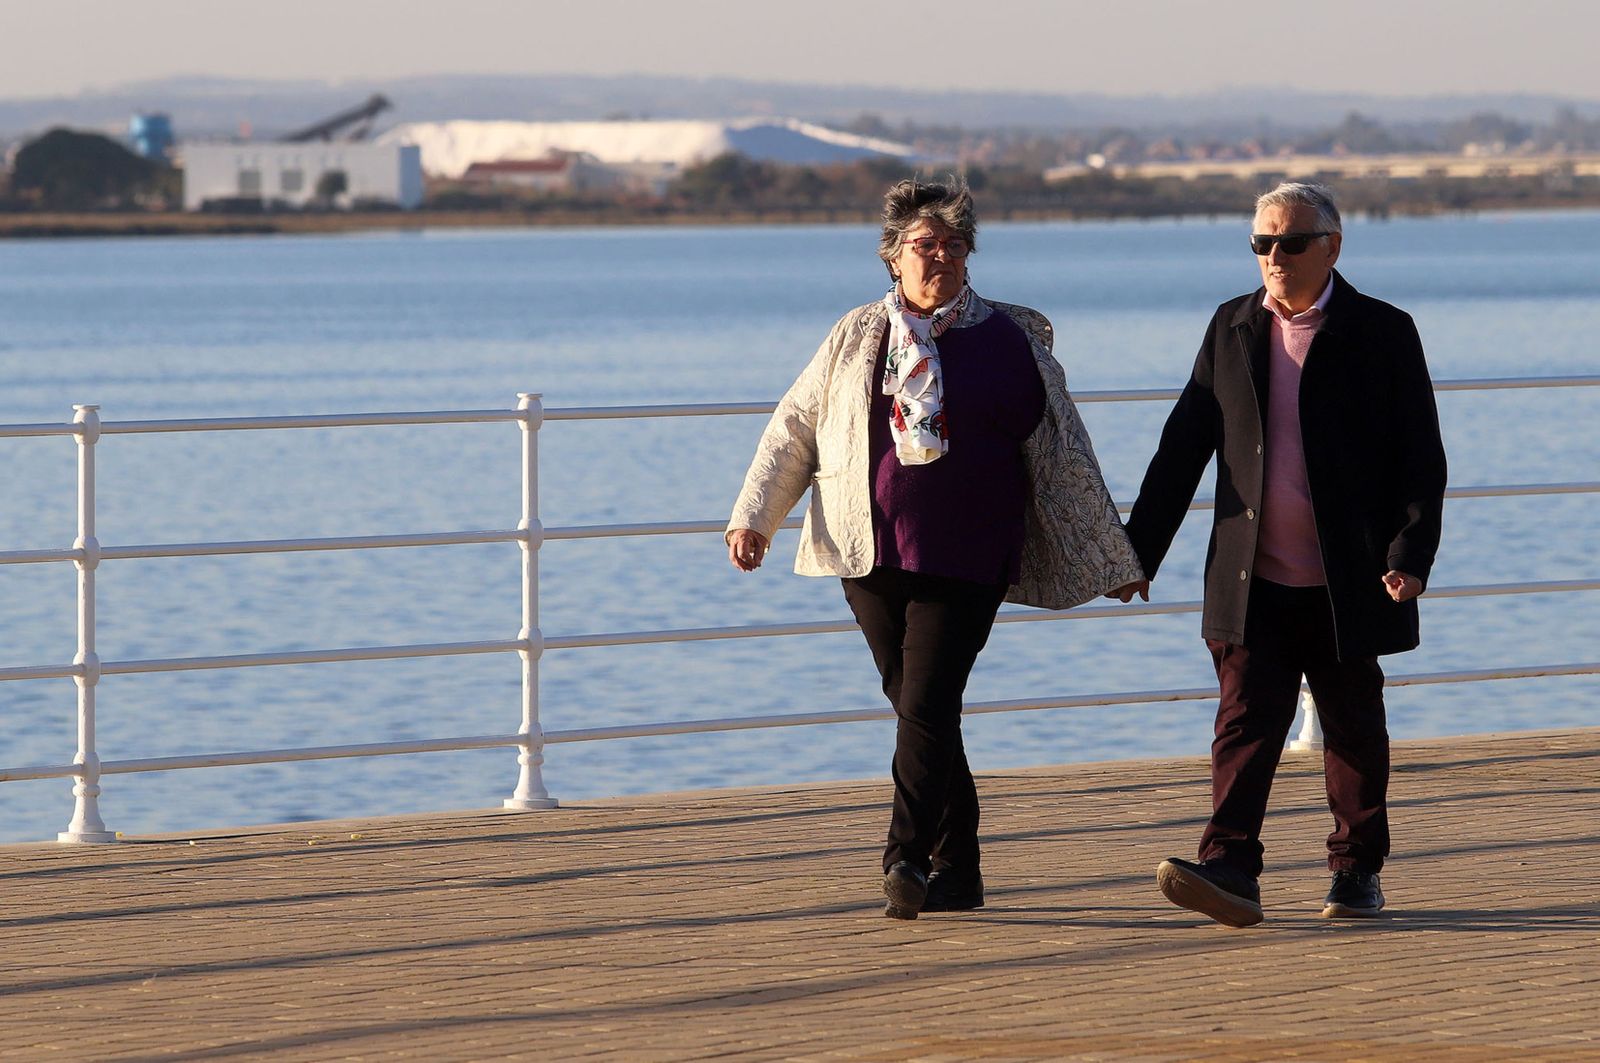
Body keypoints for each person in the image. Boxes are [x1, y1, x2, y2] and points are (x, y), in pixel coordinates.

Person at [727, 179, 1144, 920]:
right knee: (923, 709)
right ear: (894, 257)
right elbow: (796, 425)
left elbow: (1063, 453)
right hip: (869, 551)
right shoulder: (857, 332)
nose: (942, 256)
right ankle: (961, 869)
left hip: (969, 554)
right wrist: (754, 517)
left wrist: (1109, 556)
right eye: (926, 244)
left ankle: (906, 858)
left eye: (955, 244)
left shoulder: (1008, 338)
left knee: (924, 703)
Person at [1112, 182, 1447, 927]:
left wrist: (1410, 553)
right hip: (1251, 576)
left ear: (1332, 247)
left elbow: (1420, 458)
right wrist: (1139, 552)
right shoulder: (1231, 326)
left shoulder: (1383, 331)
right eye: (1262, 243)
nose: (1275, 256)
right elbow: (1182, 448)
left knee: (1353, 727)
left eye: (1291, 242)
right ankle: (1230, 868)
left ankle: (1355, 870)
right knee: (1243, 723)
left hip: (1349, 576)